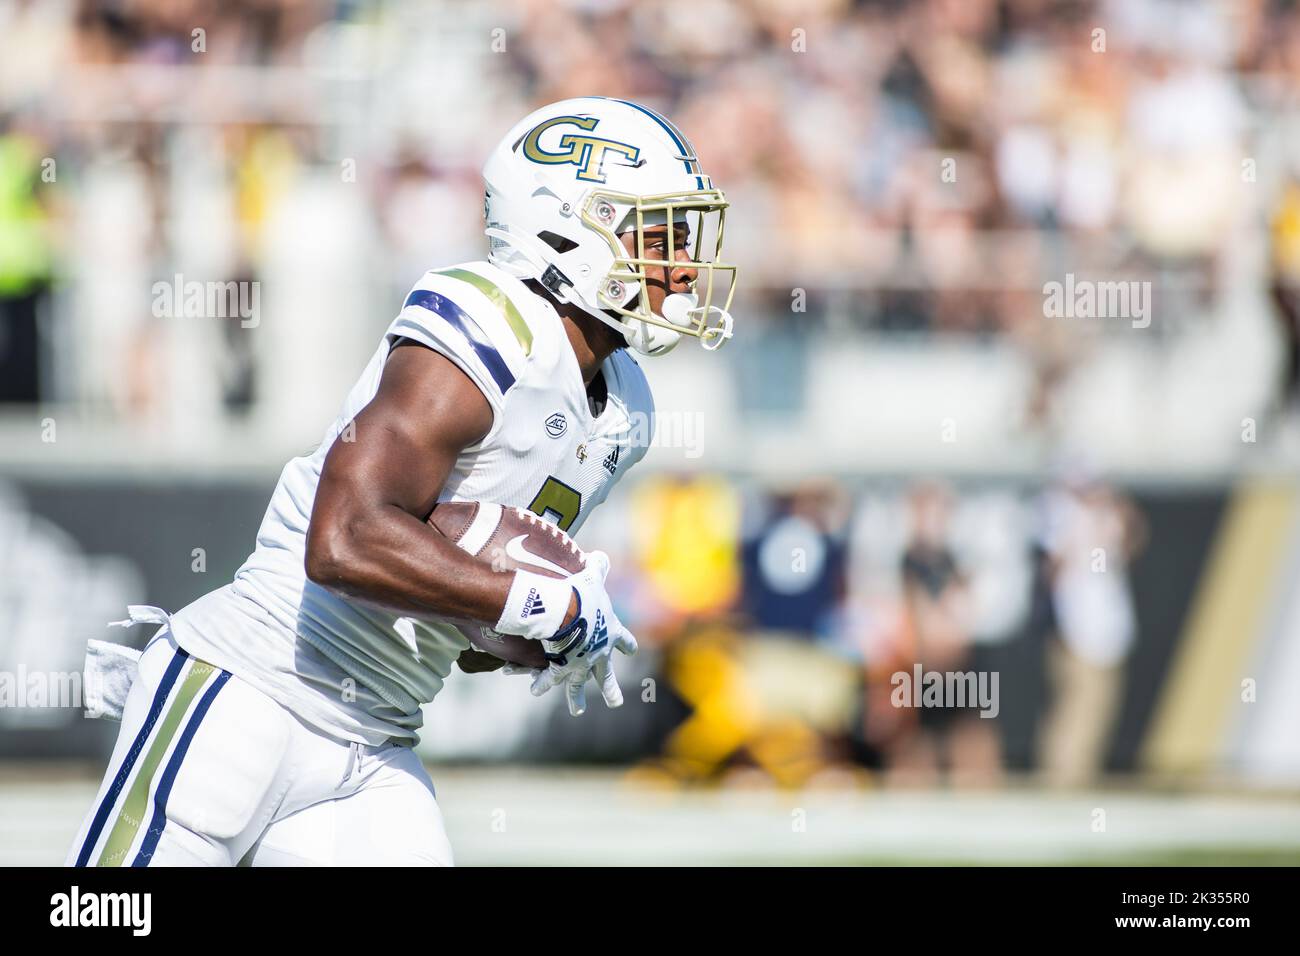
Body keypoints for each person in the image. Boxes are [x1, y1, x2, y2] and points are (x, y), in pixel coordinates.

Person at [67, 97, 737, 866]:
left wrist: (556, 630)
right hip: (252, 690)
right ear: (568, 229)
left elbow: (470, 618)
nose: (683, 265)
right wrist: (533, 600)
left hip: (375, 743)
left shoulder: (626, 409)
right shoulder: (492, 324)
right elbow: (344, 540)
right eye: (658, 235)